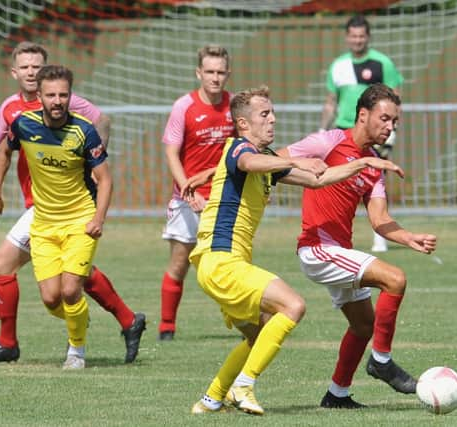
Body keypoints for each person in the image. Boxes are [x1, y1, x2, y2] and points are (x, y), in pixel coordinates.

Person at [184, 85, 404, 415]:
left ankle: (212, 399)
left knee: (258, 334)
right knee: (293, 305)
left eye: (273, 112)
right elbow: (247, 162)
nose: (273, 119)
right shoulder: (237, 147)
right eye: (265, 114)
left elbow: (318, 179)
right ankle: (244, 386)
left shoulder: (267, 159)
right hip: (221, 261)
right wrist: (301, 159)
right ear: (244, 123)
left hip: (223, 264)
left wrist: (364, 163)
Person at [0, 42, 145, 365]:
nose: (32, 72)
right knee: (67, 282)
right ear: (15, 72)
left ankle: (15, 343)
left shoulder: (65, 103)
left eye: (37, 65)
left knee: (10, 267)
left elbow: (101, 123)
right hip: (39, 208)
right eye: (25, 67)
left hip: (64, 205)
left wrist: (93, 161)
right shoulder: (13, 111)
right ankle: (127, 319)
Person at [279, 83, 437, 408]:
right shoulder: (329, 141)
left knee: (364, 325)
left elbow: (379, 219)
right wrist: (307, 166)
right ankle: (381, 361)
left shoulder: (374, 163)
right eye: (385, 118)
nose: (390, 127)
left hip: (339, 252)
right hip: (317, 249)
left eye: (395, 122)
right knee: (395, 279)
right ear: (363, 114)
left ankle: (336, 396)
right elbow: (275, 161)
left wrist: (410, 238)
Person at [0, 65, 112, 369]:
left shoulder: (84, 130)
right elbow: (3, 150)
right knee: (52, 299)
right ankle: (79, 319)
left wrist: (98, 219)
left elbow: (105, 179)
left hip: (80, 220)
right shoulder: (24, 125)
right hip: (42, 224)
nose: (58, 101)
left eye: (63, 95)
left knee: (70, 290)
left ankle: (76, 352)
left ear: (70, 96)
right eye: (51, 95)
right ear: (39, 96)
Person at [158, 45, 234, 341]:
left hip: (223, 198)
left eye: (221, 72)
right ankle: (166, 327)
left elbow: (244, 151)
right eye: (210, 72)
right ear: (199, 73)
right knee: (180, 262)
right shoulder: (183, 107)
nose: (215, 78)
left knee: (228, 263)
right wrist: (188, 191)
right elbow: (171, 153)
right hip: (187, 199)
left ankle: (242, 319)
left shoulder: (235, 106)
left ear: (228, 73)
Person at [319, 14, 404, 253]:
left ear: (368, 37)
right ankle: (334, 236)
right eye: (353, 36)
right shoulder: (338, 65)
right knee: (339, 184)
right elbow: (330, 101)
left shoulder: (382, 63)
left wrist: (392, 129)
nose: (357, 41)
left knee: (375, 182)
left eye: (361, 36)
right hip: (343, 130)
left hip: (373, 133)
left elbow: (396, 98)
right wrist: (322, 128)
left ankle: (382, 234)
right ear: (347, 38)